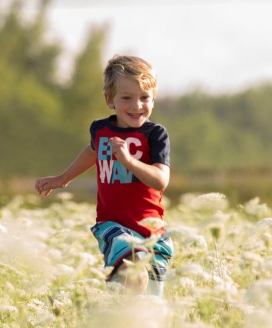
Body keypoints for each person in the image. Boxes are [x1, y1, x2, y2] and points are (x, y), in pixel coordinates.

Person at [34, 54, 173, 296]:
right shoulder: (101, 130)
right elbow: (92, 152)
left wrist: (128, 161)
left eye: (144, 98)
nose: (137, 106)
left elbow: (161, 180)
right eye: (127, 98)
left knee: (149, 300)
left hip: (151, 231)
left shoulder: (155, 135)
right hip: (113, 226)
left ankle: (119, 313)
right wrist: (62, 179)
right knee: (134, 271)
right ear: (110, 100)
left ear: (153, 99)